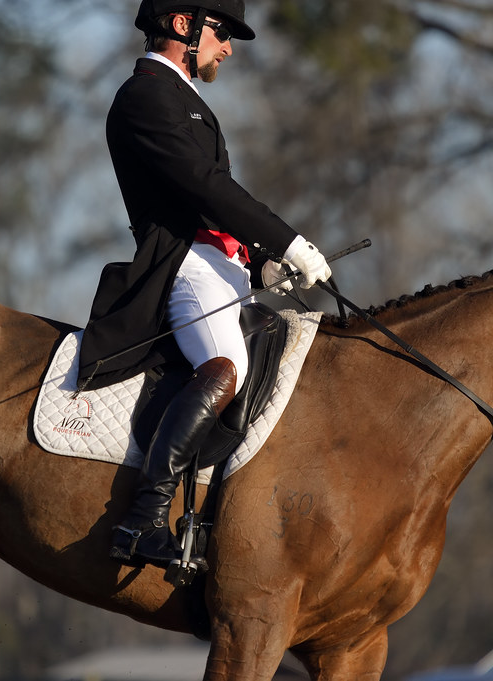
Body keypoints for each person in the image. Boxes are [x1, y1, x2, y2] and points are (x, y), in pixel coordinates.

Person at [78, 0, 333, 567]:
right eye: (222, 32)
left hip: (218, 261)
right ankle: (144, 519)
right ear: (182, 25)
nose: (228, 48)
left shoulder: (184, 100)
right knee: (226, 368)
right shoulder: (145, 95)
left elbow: (213, 200)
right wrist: (289, 241)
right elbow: (206, 187)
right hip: (181, 264)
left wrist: (265, 260)